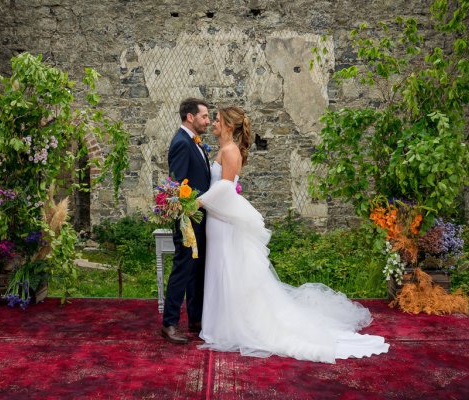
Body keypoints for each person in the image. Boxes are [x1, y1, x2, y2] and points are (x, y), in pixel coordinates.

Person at [197, 106, 389, 363]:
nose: (213, 124)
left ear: (229, 126)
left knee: (226, 268)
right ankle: (219, 323)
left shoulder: (230, 151)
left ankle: (229, 326)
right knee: (220, 269)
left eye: (217, 120)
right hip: (217, 219)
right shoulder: (224, 150)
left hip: (223, 220)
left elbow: (224, 190)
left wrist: (195, 203)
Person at [161, 98, 211, 344]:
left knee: (196, 270)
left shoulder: (196, 143)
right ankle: (169, 323)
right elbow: (178, 184)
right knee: (182, 269)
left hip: (199, 218)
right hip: (187, 219)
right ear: (190, 117)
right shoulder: (181, 143)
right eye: (204, 116)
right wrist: (185, 216)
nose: (208, 121)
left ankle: (195, 318)